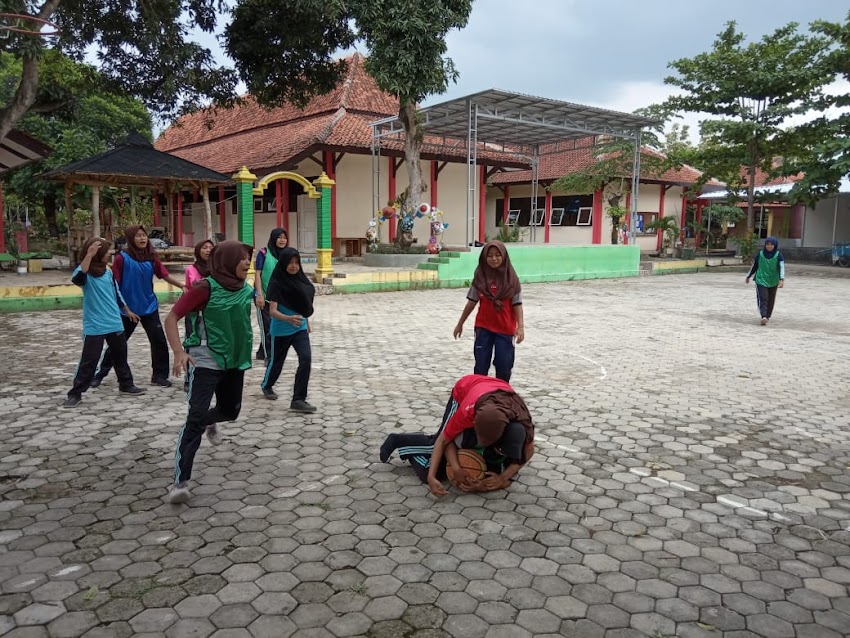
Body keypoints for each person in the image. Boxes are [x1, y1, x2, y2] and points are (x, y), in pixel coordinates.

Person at [163, 240, 254, 504]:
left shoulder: (244, 288)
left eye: (248, 258)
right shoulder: (204, 288)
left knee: (230, 412)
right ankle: (180, 482)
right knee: (195, 418)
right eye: (242, 258)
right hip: (204, 361)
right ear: (227, 260)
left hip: (235, 361)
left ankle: (209, 420)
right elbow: (171, 318)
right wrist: (179, 352)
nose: (247, 263)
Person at [380, 374, 534, 496]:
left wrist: (502, 479)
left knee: (494, 463)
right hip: (464, 391)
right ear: (474, 423)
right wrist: (438, 475)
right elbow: (445, 441)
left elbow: (528, 451)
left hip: (493, 396)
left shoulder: (522, 422)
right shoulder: (468, 413)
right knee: (436, 445)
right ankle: (401, 441)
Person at [92, 225, 186, 388]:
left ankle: (159, 376)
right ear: (130, 239)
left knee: (159, 341)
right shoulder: (122, 258)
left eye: (144, 235)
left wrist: (181, 285)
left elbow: (164, 274)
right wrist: (119, 306)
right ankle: (99, 374)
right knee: (118, 344)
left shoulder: (151, 256)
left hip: (149, 306)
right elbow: (114, 283)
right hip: (127, 309)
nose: (142, 238)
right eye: (138, 236)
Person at [64, 238, 147, 408]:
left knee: (120, 356)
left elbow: (116, 293)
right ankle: (75, 393)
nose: (108, 256)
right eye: (105, 253)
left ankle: (126, 384)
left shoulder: (108, 272)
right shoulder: (85, 273)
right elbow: (78, 279)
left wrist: (127, 311)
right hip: (94, 325)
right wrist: (89, 255)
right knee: (89, 360)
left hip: (114, 322)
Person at [453, 240, 524, 382]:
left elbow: (517, 304)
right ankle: (479, 395)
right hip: (483, 327)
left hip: (505, 329)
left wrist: (520, 327)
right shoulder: (480, 277)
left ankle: (502, 396)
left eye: (498, 255)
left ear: (504, 256)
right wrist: (460, 323)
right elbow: (471, 302)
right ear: (484, 258)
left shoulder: (511, 280)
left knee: (504, 366)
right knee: (480, 365)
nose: (494, 259)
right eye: (490, 255)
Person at [260, 247, 316, 413]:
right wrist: (288, 318)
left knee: (306, 359)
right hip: (281, 330)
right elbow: (272, 311)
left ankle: (298, 399)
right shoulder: (277, 283)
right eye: (290, 263)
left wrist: (306, 321)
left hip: (300, 328)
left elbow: (305, 306)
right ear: (283, 264)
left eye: (296, 262)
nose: (293, 266)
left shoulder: (302, 281)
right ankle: (267, 385)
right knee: (277, 362)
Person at [254, 228, 289, 360]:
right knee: (267, 326)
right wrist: (259, 295)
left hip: (278, 297)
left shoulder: (287, 254)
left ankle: (261, 352)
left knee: (275, 326)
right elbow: (257, 274)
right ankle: (270, 356)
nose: (282, 240)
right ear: (273, 238)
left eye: (284, 237)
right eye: (279, 237)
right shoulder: (263, 253)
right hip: (263, 295)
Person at [745, 236, 785, 325]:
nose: (769, 246)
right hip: (761, 280)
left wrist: (782, 279)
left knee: (771, 299)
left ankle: (767, 316)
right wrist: (748, 276)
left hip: (773, 280)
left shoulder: (779, 255)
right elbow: (755, 266)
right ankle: (763, 315)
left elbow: (781, 267)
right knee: (763, 298)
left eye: (771, 245)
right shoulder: (760, 254)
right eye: (767, 244)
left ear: (775, 245)